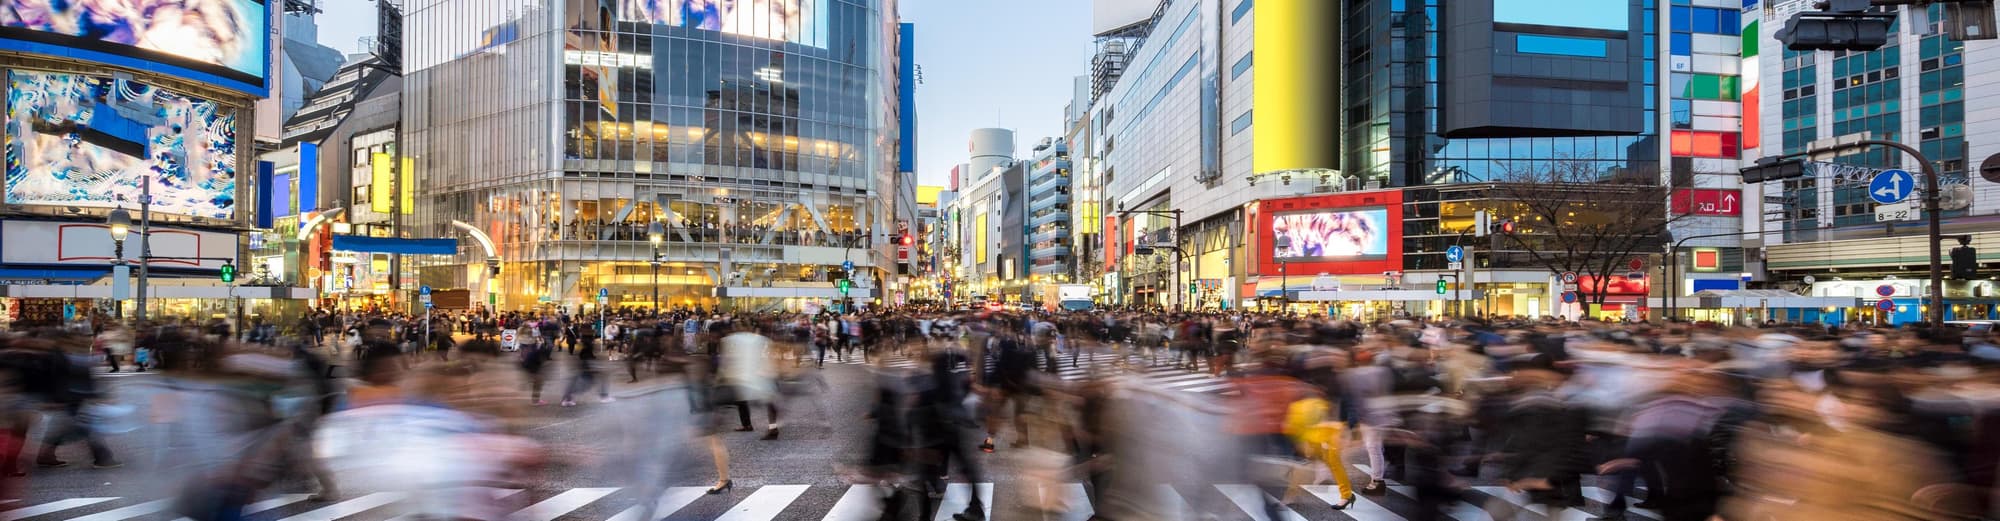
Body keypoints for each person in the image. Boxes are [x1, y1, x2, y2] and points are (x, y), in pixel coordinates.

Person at [716, 321, 779, 439]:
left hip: (742, 376)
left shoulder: (729, 340)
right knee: (769, 401)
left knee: (739, 400)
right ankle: (772, 427)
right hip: (760, 375)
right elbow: (771, 356)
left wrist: (721, 375)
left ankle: (747, 425)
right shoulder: (763, 339)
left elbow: (726, 360)